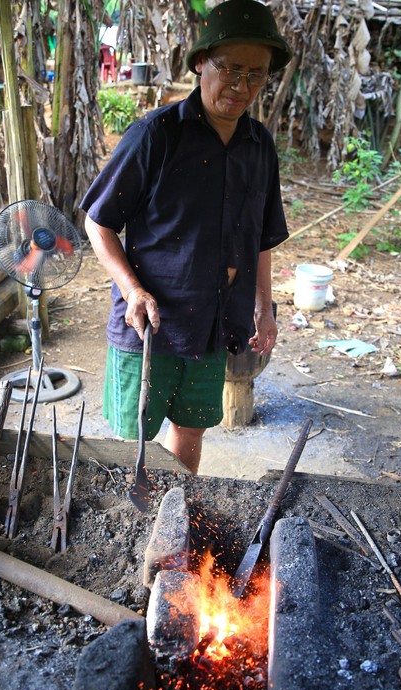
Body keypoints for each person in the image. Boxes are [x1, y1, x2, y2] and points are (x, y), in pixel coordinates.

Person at [80, 0, 290, 474]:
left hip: (217, 322)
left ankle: (177, 520)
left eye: (256, 75)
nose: (242, 87)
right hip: (152, 321)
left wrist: (262, 306)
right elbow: (99, 222)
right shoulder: (155, 135)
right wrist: (132, 290)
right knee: (135, 439)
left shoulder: (260, 146)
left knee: (191, 429)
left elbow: (261, 237)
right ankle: (128, 529)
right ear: (201, 62)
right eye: (230, 69)